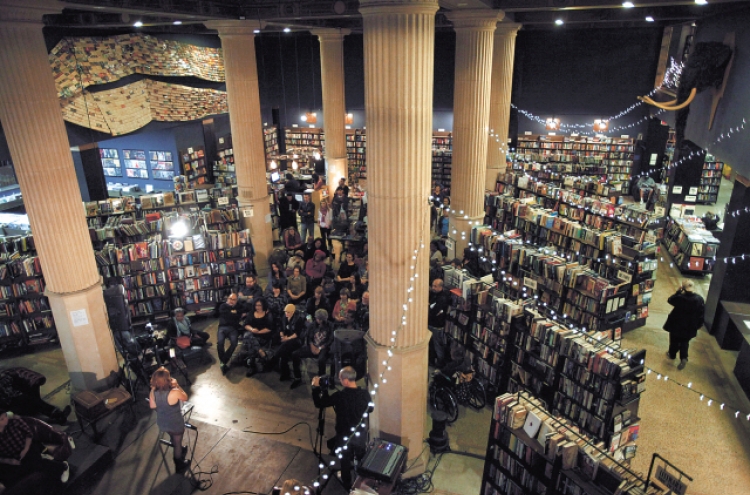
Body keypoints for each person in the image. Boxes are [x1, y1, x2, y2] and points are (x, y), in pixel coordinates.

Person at [311, 366, 371, 490]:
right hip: (360, 434)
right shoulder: (364, 394)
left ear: (345, 381)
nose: (339, 380)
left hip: (344, 436)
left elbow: (320, 403)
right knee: (361, 457)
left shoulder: (340, 396)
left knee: (344, 461)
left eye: (340, 378)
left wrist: (316, 388)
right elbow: (370, 409)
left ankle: (347, 485)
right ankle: (364, 483)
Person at [0, 411, 70, 488]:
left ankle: (62, 467)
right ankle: (45, 459)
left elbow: (29, 435)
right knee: (15, 474)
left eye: (5, 416)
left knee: (33, 462)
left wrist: (25, 450)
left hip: (28, 446)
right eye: (2, 419)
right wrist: (10, 461)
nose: (6, 419)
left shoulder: (14, 422)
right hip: (14, 456)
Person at [149, 367, 189, 472]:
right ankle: (179, 464)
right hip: (175, 422)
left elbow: (152, 406)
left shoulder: (153, 391)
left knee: (172, 435)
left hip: (162, 421)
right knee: (177, 443)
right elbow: (185, 397)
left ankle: (177, 444)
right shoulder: (174, 391)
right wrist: (177, 386)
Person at [0, 369, 70, 426]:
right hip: (9, 404)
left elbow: (10, 387)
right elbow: (8, 395)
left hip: (15, 398)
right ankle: (58, 415)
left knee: (31, 400)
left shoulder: (4, 377)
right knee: (30, 401)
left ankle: (58, 415)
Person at [663, 280, 705, 370]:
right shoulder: (699, 299)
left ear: (683, 288)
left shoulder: (680, 298)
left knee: (674, 340)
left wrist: (678, 291)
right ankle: (684, 357)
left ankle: (672, 354)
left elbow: (670, 300)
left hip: (677, 324)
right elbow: (701, 314)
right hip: (690, 326)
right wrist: (699, 325)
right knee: (685, 342)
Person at [291, 309, 333, 389]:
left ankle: (321, 381)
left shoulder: (330, 326)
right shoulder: (313, 325)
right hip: (312, 346)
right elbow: (308, 337)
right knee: (295, 354)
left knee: (321, 360)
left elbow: (330, 340)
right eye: (317, 318)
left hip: (323, 348)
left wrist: (320, 348)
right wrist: (312, 345)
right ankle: (298, 378)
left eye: (320, 319)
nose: (318, 320)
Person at [242, 298, 276, 377]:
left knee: (249, 340)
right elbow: (246, 324)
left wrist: (259, 332)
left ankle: (252, 366)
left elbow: (270, 328)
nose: (258, 307)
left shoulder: (268, 314)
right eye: (256, 305)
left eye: (260, 305)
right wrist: (252, 329)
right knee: (248, 336)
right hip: (253, 335)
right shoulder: (251, 313)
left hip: (263, 336)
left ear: (263, 305)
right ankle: (261, 352)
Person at [217, 293, 247, 375]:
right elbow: (225, 314)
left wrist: (235, 312)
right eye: (230, 299)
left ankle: (223, 360)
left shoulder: (239, 306)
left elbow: (246, 309)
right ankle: (223, 361)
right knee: (220, 343)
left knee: (234, 342)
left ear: (237, 301)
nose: (231, 301)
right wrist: (235, 313)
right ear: (227, 299)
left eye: (234, 300)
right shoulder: (223, 306)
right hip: (222, 327)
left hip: (233, 328)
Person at [276, 304, 305, 382]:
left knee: (284, 347)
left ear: (293, 312)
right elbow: (281, 327)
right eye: (285, 312)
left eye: (288, 312)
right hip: (287, 339)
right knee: (283, 353)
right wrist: (281, 334)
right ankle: (285, 373)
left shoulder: (299, 319)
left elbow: (297, 334)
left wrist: (287, 339)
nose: (286, 313)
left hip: (296, 340)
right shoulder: (284, 317)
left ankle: (274, 359)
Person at [428, 278, 451, 367]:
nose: (433, 287)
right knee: (432, 345)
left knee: (438, 345)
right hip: (432, 324)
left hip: (437, 325)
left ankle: (440, 363)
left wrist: (429, 307)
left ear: (440, 287)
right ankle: (432, 360)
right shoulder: (434, 294)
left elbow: (436, 311)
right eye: (432, 285)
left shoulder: (443, 298)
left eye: (435, 286)